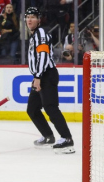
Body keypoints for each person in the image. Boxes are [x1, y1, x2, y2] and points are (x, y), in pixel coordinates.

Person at [24, 7, 74, 154]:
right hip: (39, 76)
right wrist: (36, 77)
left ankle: (67, 139)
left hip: (46, 75)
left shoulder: (40, 34)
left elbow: (44, 56)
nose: (29, 19)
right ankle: (48, 136)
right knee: (32, 109)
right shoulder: (34, 35)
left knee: (50, 107)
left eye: (33, 17)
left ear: (39, 19)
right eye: (27, 17)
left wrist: (38, 77)